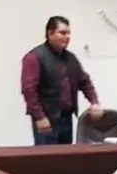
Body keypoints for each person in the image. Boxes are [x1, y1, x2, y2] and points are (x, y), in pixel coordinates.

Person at [20, 15, 104, 146]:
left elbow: (84, 82)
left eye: (69, 33)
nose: (67, 37)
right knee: (47, 157)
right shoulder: (34, 57)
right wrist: (39, 117)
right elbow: (29, 90)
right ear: (50, 33)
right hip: (46, 119)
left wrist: (94, 102)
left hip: (66, 118)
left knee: (66, 156)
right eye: (62, 33)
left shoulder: (70, 58)